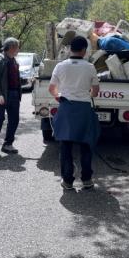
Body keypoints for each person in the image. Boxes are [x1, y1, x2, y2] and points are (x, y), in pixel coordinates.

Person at [48, 36, 100, 190]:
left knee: (65, 145)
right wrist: (86, 94)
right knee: (86, 144)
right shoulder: (90, 67)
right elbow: (95, 92)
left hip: (66, 107)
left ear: (70, 49)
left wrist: (58, 96)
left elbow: (51, 88)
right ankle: (87, 179)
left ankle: (68, 181)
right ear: (84, 50)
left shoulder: (60, 66)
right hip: (84, 108)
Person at [0, 37, 22, 155]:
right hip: (1, 95)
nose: (18, 49)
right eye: (17, 47)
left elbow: (12, 79)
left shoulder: (14, 61)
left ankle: (8, 144)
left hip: (13, 95)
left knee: (14, 120)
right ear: (12, 48)